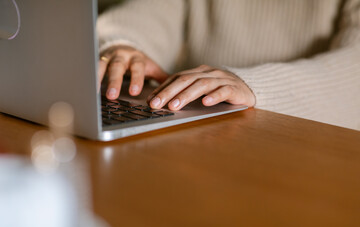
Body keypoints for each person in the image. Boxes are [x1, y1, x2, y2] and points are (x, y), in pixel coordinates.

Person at [97, 0, 360, 130]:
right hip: (202, 130)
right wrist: (123, 44)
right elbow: (158, 7)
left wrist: (255, 86)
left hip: (307, 138)